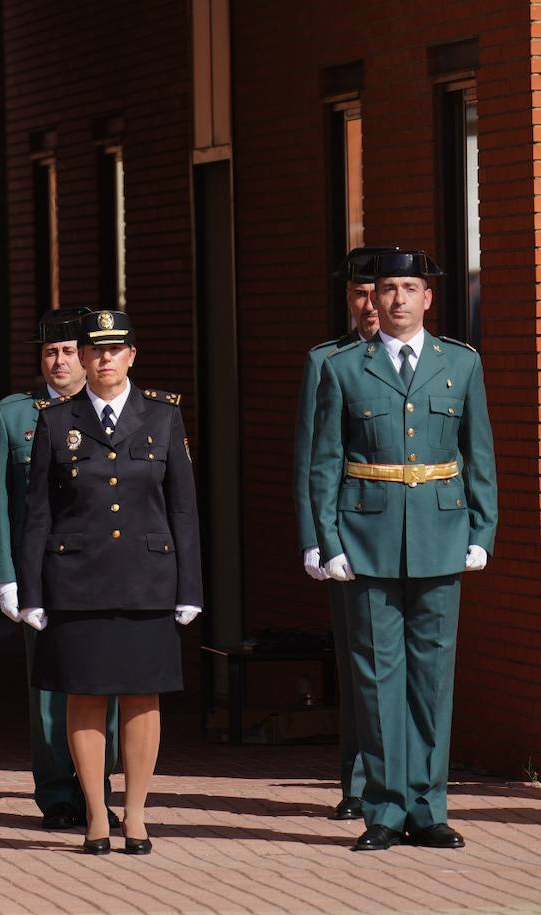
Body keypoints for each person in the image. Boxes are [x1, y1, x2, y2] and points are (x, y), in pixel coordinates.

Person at [310, 249, 497, 852]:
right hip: (368, 537)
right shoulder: (343, 367)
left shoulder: (460, 364)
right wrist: (328, 540)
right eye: (388, 288)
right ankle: (385, 809)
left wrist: (481, 531)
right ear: (375, 296)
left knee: (432, 679)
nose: (397, 300)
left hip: (442, 537)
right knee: (376, 677)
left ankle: (429, 804)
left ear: (428, 297)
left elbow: (480, 455)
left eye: (409, 288)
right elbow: (325, 464)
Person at [18, 309, 201, 855]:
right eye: (94, 351)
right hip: (77, 579)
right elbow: (38, 513)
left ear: (131, 357)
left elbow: (183, 509)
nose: (103, 359)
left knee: (143, 698)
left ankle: (137, 813)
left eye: (114, 350)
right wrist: (32, 593)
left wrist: (189, 588)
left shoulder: (164, 418)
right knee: (86, 697)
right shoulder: (56, 421)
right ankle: (97, 813)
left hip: (148, 578)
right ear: (84, 357)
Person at [0, 306, 120, 832]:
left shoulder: (119, 409)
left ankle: (97, 789)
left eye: (67, 352)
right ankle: (58, 794)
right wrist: (3, 576)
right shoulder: (15, 415)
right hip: (39, 571)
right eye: (49, 352)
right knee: (47, 691)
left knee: (101, 681)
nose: (57, 362)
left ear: (87, 357)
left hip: (101, 569)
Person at [293, 245, 398, 822]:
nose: (371, 306)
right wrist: (315, 536)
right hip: (347, 533)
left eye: (376, 293)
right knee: (360, 658)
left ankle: (398, 778)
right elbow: (312, 456)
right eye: (360, 294)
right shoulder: (326, 360)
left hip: (404, 529)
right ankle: (358, 781)